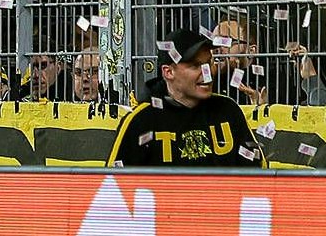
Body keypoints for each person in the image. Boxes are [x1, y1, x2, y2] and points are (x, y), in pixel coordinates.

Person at [109, 27, 261, 168]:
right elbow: (114, 185)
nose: (208, 72)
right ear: (168, 72)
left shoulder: (228, 110)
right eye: (195, 66)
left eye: (209, 62)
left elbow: (259, 171)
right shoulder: (141, 121)